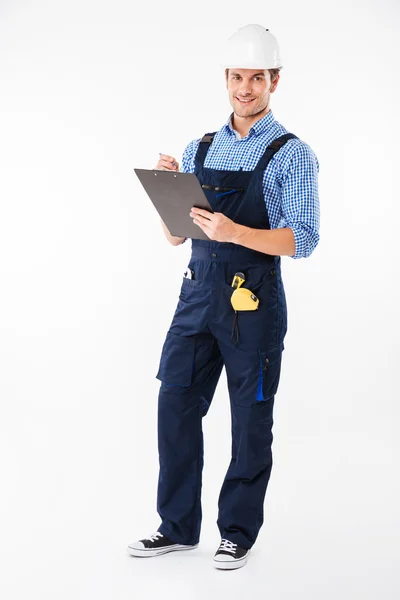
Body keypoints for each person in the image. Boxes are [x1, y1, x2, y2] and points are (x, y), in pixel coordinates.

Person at [127, 24, 320, 570]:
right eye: (236, 77)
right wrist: (166, 191)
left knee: (249, 421)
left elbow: (303, 238)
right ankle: (177, 527)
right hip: (195, 300)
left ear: (274, 81)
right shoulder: (199, 147)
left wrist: (238, 233)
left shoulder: (291, 154)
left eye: (256, 78)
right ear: (227, 80)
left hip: (253, 305)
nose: (244, 88)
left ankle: (236, 531)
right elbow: (176, 236)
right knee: (175, 407)